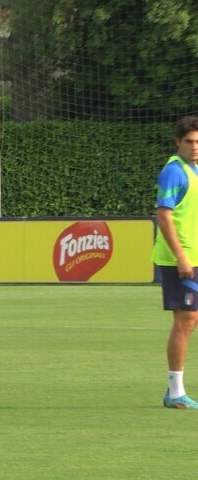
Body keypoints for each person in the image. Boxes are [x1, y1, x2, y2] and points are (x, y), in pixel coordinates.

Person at [154, 115, 198, 409]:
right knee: (186, 320)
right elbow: (164, 214)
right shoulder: (174, 171)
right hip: (178, 258)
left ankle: (176, 391)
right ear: (178, 142)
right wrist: (181, 256)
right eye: (190, 142)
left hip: (193, 255)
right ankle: (175, 392)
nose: (195, 147)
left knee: (191, 320)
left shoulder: (194, 170)